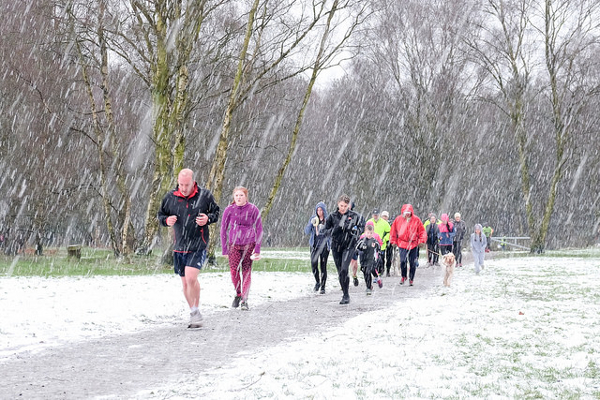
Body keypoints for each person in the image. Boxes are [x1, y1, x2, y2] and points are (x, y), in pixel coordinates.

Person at [157, 168, 220, 328]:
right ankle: (194, 311)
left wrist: (207, 218)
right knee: (186, 283)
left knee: (191, 278)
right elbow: (161, 215)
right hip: (179, 246)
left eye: (186, 185)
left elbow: (216, 212)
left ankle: (195, 310)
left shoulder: (204, 196)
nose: (183, 188)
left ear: (193, 182)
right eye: (181, 184)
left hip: (198, 244)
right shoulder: (170, 197)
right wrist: (166, 221)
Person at [220, 186, 263, 311]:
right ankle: (238, 293)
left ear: (246, 196)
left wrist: (258, 249)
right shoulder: (229, 210)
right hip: (233, 244)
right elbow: (223, 229)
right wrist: (224, 248)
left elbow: (259, 229)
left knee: (246, 271)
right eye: (236, 195)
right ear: (234, 197)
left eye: (241, 195)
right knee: (234, 271)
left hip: (249, 243)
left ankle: (245, 299)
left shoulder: (253, 209)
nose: (238, 198)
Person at [324, 194, 365, 304]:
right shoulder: (332, 216)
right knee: (340, 272)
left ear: (349, 206)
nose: (343, 208)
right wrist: (335, 229)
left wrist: (356, 232)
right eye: (341, 205)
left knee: (344, 269)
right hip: (336, 247)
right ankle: (345, 292)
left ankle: (346, 295)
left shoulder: (354, 216)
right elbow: (325, 231)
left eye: (345, 206)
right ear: (338, 204)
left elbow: (362, 226)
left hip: (349, 246)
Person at [389, 204, 427, 286]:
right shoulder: (398, 220)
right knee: (402, 261)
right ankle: (403, 276)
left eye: (409, 212)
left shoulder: (416, 220)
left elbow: (422, 231)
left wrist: (421, 241)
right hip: (402, 243)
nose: (407, 214)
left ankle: (411, 278)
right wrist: (393, 241)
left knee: (413, 262)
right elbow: (393, 231)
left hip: (413, 243)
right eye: (406, 212)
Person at [304, 201, 331, 294]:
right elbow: (307, 231)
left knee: (323, 266)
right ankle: (317, 282)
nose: (319, 212)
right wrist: (311, 224)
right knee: (313, 264)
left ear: (324, 211)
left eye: (321, 210)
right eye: (318, 210)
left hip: (324, 246)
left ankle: (323, 286)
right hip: (315, 246)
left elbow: (331, 233)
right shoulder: (313, 218)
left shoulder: (327, 220)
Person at [356, 223, 382, 295]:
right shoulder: (361, 241)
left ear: (373, 233)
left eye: (371, 233)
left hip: (371, 260)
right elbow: (356, 248)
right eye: (368, 233)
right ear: (365, 232)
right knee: (365, 273)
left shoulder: (374, 241)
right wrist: (359, 252)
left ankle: (369, 287)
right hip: (363, 260)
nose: (369, 234)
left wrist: (379, 256)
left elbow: (378, 249)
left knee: (369, 271)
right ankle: (369, 285)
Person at [367, 209, 391, 276]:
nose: (375, 216)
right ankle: (375, 271)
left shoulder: (384, 223)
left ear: (379, 215)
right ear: (372, 215)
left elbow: (389, 232)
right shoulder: (369, 222)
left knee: (381, 258)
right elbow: (365, 231)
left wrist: (385, 239)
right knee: (372, 258)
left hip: (381, 244)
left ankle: (380, 270)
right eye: (374, 215)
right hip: (371, 244)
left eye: (377, 215)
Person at [348, 201, 365, 287]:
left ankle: (354, 276)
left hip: (354, 241)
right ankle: (343, 280)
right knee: (344, 263)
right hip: (343, 242)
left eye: (348, 204)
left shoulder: (357, 216)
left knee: (354, 262)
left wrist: (357, 231)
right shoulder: (338, 216)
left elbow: (362, 227)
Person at [381, 211, 394, 276]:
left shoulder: (390, 223)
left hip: (389, 241)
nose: (384, 218)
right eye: (383, 216)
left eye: (385, 216)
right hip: (381, 242)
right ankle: (382, 269)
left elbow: (391, 232)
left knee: (389, 257)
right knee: (381, 257)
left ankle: (388, 270)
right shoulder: (380, 223)